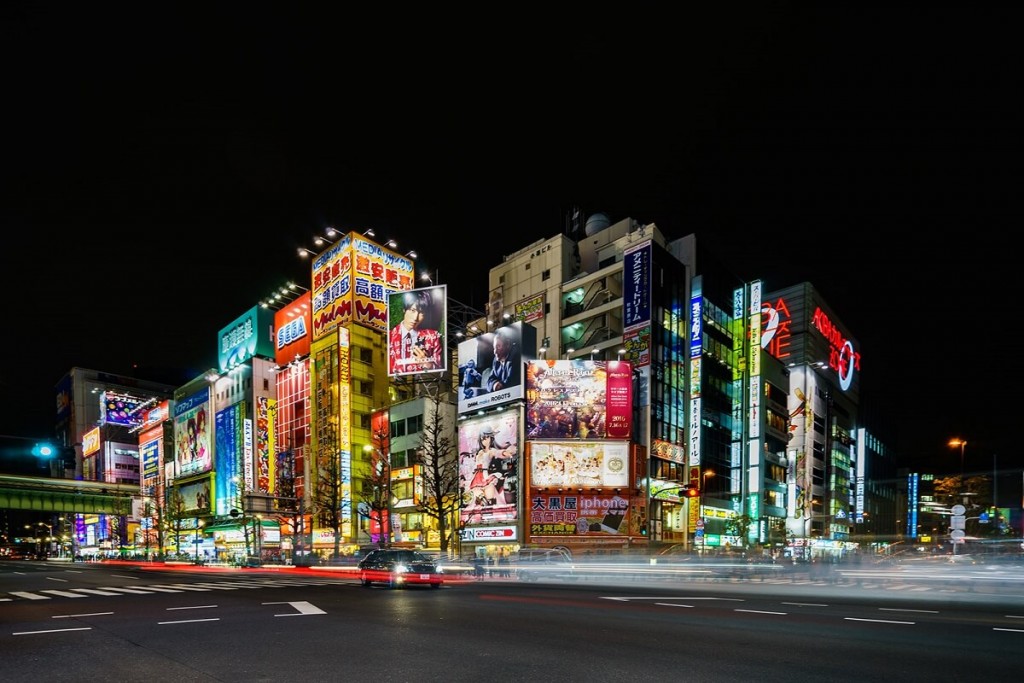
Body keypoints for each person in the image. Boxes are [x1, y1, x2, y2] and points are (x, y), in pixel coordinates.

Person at [389, 290, 443, 374]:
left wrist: (427, 364)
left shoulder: (433, 337)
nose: (415, 318)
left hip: (421, 385)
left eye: (421, 313)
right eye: (412, 310)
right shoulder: (389, 336)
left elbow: (440, 371)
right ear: (404, 310)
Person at [485, 326, 519, 392]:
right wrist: (494, 385)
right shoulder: (496, 360)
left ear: (508, 344)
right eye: (494, 348)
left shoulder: (515, 357)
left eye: (498, 347)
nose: (495, 352)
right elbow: (490, 380)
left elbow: (511, 381)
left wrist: (501, 385)